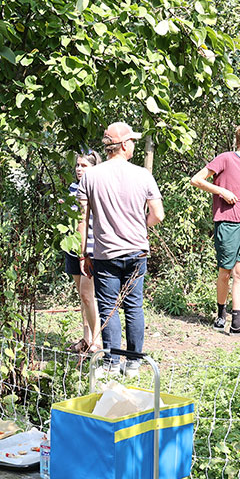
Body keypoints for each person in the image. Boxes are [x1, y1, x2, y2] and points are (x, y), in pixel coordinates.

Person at [78, 122, 164, 376]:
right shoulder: (143, 175)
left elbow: (83, 219)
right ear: (124, 145)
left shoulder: (90, 177)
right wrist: (140, 226)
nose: (134, 145)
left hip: (105, 254)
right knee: (134, 307)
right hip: (137, 251)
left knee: (109, 308)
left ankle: (112, 364)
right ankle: (134, 363)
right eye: (133, 141)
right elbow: (158, 214)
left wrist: (85, 253)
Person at [190, 124, 240, 338]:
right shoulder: (225, 158)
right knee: (225, 272)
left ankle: (237, 323)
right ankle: (220, 316)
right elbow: (196, 180)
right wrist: (221, 191)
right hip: (227, 223)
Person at [64, 152, 102, 354]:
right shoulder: (73, 188)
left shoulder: (99, 188)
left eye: (84, 166)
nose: (79, 169)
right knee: (82, 296)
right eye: (78, 165)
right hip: (73, 246)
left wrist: (84, 252)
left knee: (89, 295)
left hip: (91, 248)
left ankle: (97, 341)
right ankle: (86, 338)